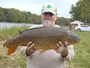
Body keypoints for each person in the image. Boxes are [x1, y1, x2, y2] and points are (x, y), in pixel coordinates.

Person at [20, 3, 75, 68]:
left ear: (56, 16)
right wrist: (28, 51)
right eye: (45, 13)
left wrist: (64, 52)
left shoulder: (64, 32)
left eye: (51, 14)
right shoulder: (32, 29)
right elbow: (22, 51)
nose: (47, 16)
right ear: (41, 15)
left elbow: (70, 57)